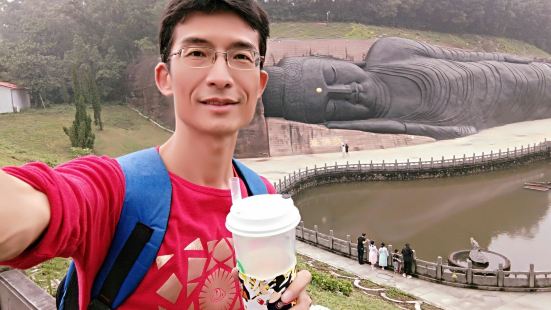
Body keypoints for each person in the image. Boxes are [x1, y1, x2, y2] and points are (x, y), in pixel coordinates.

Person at [0, 1, 311, 309]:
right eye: (197, 53)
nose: (220, 76)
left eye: (241, 56)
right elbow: (40, 205)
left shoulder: (262, 197)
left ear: (259, 84)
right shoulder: (115, 190)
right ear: (165, 77)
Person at [262, 37, 551, 140]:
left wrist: (514, 58)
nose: (348, 91)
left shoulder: (391, 51)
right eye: (332, 104)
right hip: (524, 109)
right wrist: (357, 125)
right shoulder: (389, 119)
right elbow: (459, 131)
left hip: (520, 72)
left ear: (330, 59)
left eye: (332, 75)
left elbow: (463, 57)